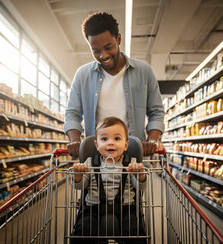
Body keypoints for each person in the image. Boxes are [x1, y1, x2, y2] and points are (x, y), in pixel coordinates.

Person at [64, 11, 165, 157]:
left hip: (134, 157)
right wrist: (74, 141)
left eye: (108, 47)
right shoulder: (82, 75)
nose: (103, 55)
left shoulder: (144, 71)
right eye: (96, 51)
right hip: (96, 159)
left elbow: (156, 112)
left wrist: (152, 140)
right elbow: (73, 113)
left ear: (118, 39)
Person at [71, 116, 147, 244]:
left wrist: (139, 174)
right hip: (93, 208)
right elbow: (81, 187)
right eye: (104, 139)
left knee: (135, 232)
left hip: (126, 208)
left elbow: (140, 187)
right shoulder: (90, 162)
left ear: (126, 145)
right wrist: (78, 176)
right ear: (96, 144)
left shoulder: (131, 163)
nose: (110, 143)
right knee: (83, 230)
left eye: (117, 138)